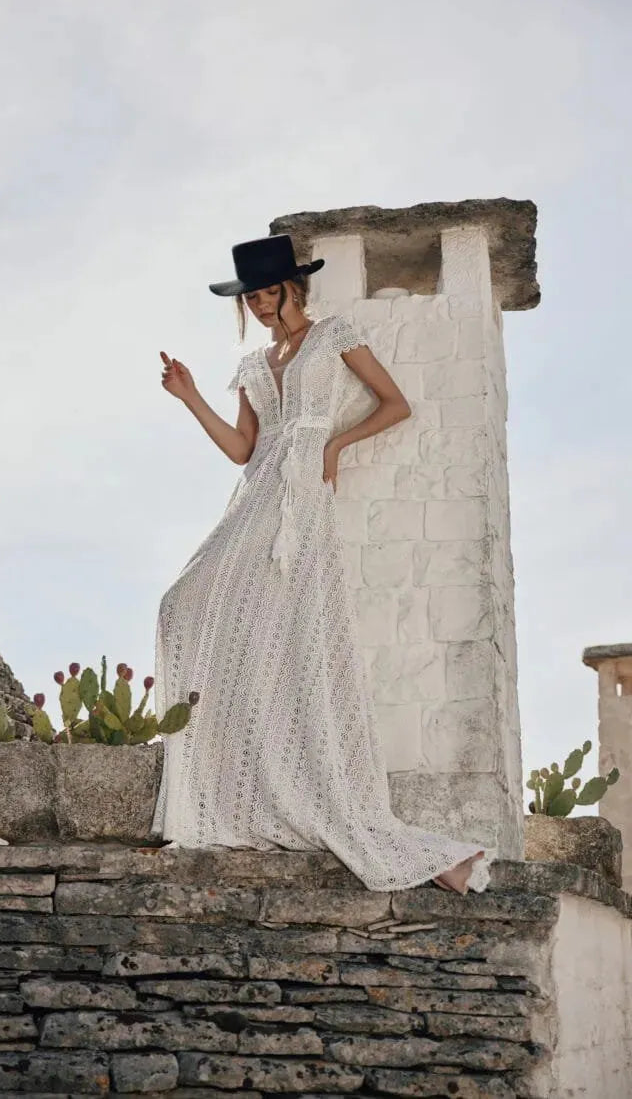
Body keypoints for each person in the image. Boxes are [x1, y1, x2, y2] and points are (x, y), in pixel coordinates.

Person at [149, 233, 494, 895]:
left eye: (268, 293)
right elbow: (243, 450)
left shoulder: (336, 334)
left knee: (295, 629)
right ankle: (231, 780)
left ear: (293, 289)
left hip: (304, 494)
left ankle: (315, 788)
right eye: (249, 297)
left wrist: (336, 442)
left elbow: (396, 404)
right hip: (256, 495)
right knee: (182, 604)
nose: (258, 306)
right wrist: (190, 397)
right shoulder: (252, 364)